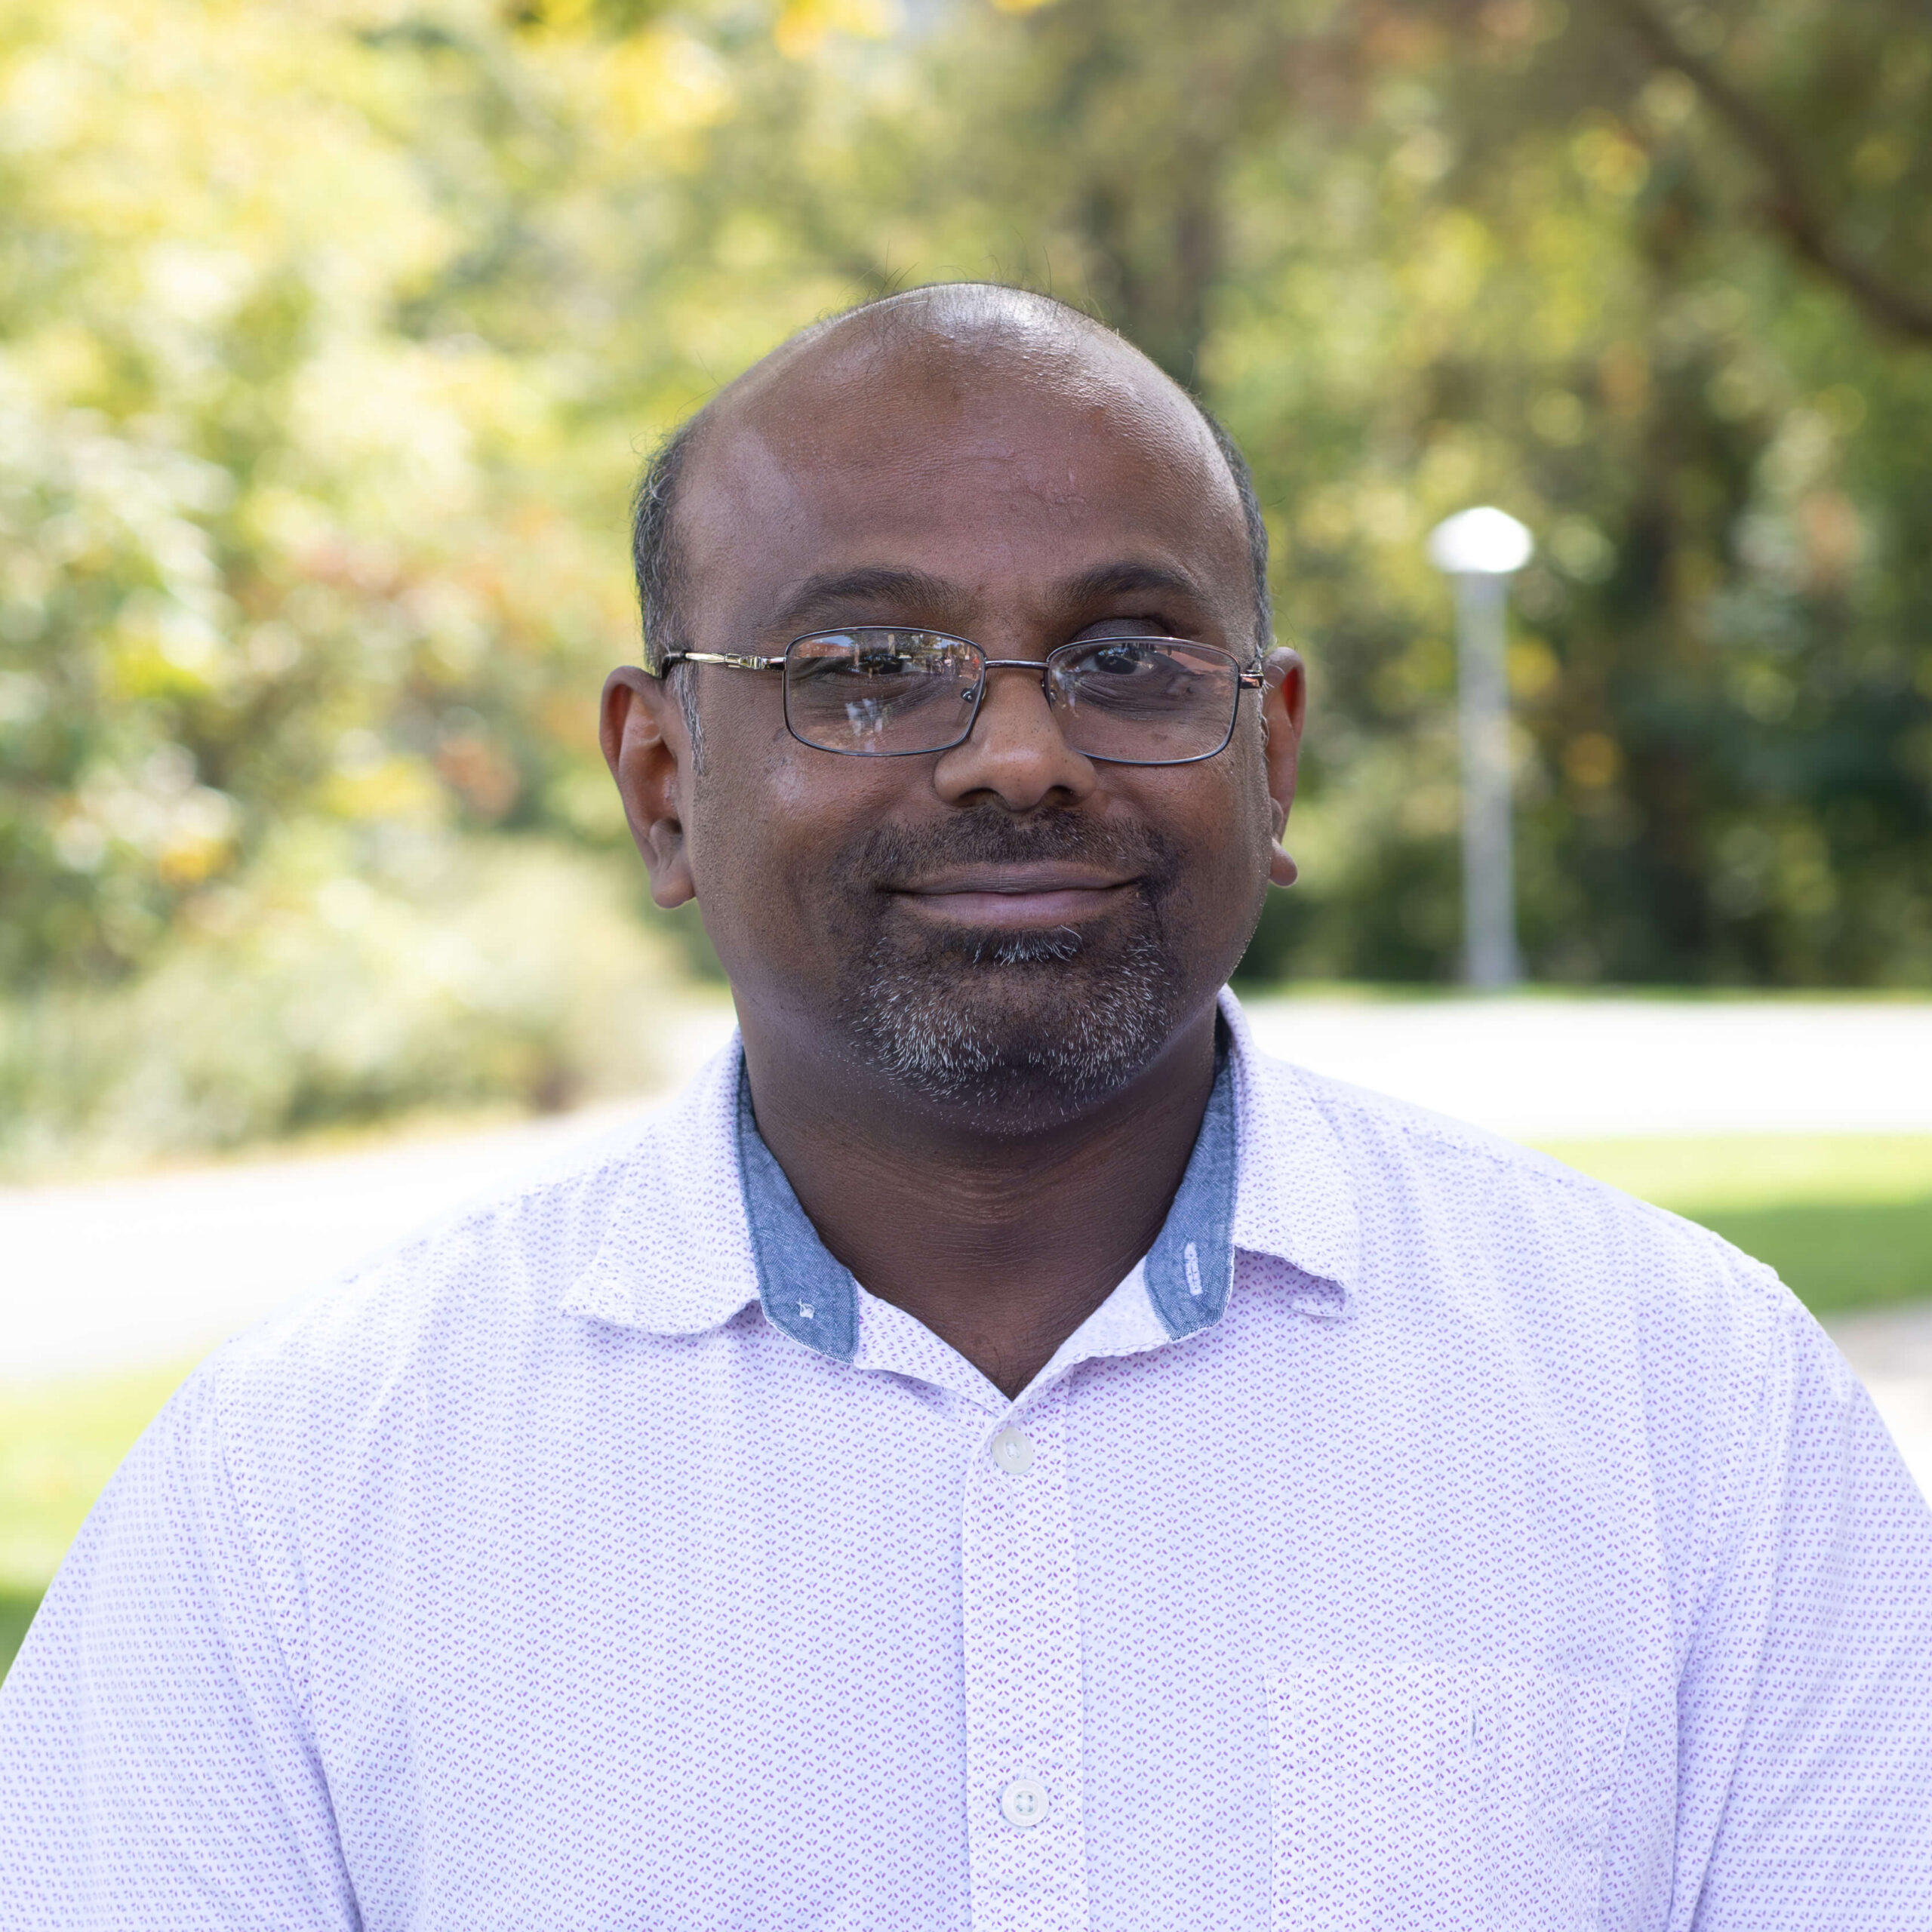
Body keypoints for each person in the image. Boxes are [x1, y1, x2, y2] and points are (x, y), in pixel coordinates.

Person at [2, 282, 1929, 1930]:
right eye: (863, 670)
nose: (1018, 753)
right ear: (663, 779)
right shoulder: (301, 1489)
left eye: (1123, 657)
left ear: (1266, 755)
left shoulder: (1689, 1413)